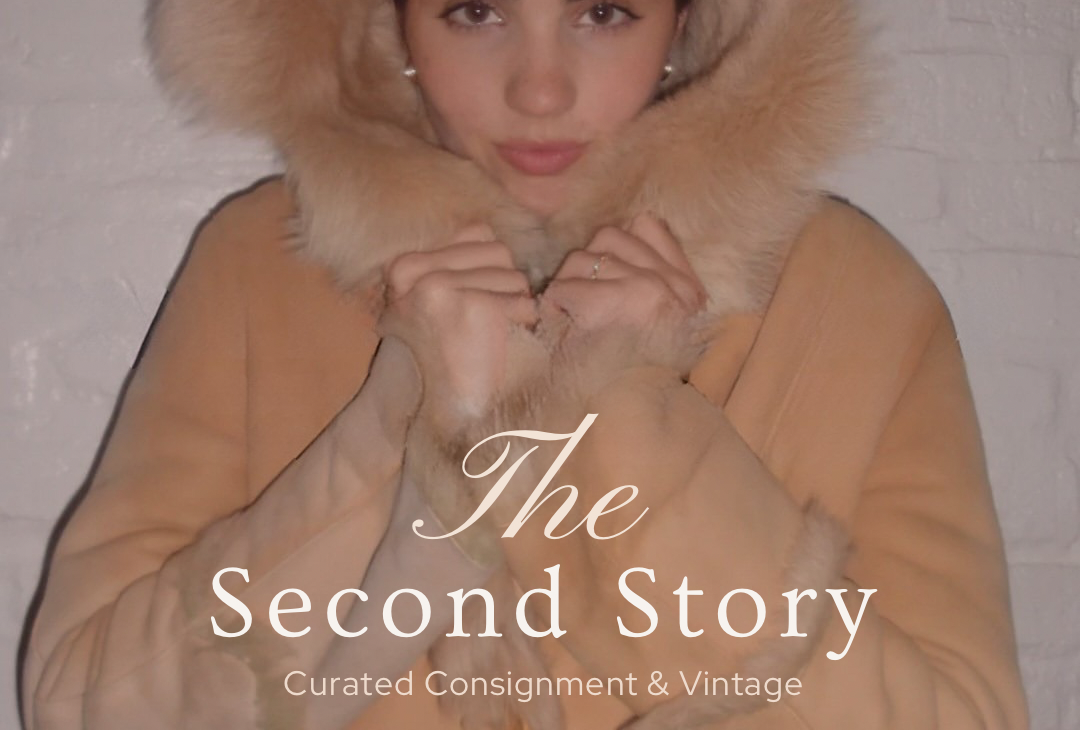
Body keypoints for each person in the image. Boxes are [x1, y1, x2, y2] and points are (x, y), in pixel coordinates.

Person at [20, 0, 1030, 727]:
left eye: (603, 12)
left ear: (689, 23)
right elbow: (83, 703)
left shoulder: (851, 300)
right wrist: (408, 427)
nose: (539, 89)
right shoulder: (256, 269)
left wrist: (628, 416)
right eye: (475, 12)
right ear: (389, 25)